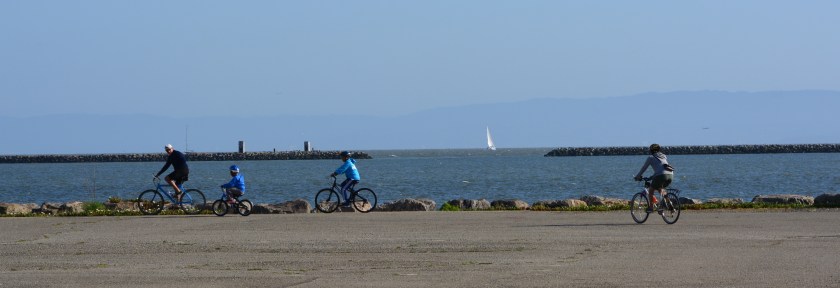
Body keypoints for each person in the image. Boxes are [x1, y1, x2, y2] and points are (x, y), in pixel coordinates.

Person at [634, 143, 675, 213]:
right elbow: (661, 169)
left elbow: (644, 168)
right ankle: (669, 203)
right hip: (670, 175)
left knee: (651, 191)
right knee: (660, 189)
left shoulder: (651, 157)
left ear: (651, 150)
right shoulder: (663, 157)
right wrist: (651, 177)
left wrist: (637, 176)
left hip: (661, 176)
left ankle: (651, 208)